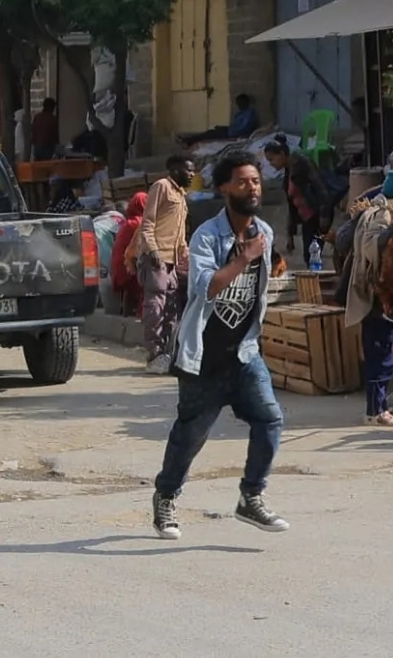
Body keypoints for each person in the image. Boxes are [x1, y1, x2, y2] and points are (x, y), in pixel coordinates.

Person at [151, 147, 289, 540]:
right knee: (191, 435)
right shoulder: (206, 236)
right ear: (225, 187)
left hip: (244, 353)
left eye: (257, 180)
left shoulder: (263, 232)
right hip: (203, 358)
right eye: (244, 181)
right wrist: (243, 258)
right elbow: (205, 288)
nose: (253, 187)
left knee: (270, 419)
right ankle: (166, 497)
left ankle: (251, 497)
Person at [345, 171, 393, 428]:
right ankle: (376, 411)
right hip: (378, 297)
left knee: (384, 351)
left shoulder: (383, 212)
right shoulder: (381, 215)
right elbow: (370, 248)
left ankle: (380, 407)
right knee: (382, 353)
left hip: (382, 296)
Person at [137, 152, 195, 375]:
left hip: (173, 260)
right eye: (188, 170)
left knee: (171, 309)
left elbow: (180, 234)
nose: (191, 174)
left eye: (193, 170)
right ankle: (154, 353)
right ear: (175, 170)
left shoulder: (181, 195)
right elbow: (147, 223)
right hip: (156, 258)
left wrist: (185, 255)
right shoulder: (161, 186)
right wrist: (152, 251)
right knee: (156, 307)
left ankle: (167, 353)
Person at [265, 139, 333, 260]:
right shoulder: (288, 172)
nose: (271, 164)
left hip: (317, 214)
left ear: (281, 154)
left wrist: (324, 215)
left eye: (272, 159)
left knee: (311, 255)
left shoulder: (302, 164)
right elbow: (292, 205)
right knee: (309, 255)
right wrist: (290, 235)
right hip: (307, 217)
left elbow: (321, 188)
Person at [111, 191, 147, 316]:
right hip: (128, 269)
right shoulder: (139, 223)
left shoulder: (128, 223)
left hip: (119, 270)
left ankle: (127, 314)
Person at [179, 94, 261, 146]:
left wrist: (228, 131)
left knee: (210, 134)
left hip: (234, 134)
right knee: (212, 130)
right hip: (231, 131)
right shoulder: (241, 113)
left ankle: (188, 140)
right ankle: (189, 140)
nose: (239, 105)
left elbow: (242, 129)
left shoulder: (249, 114)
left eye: (240, 102)